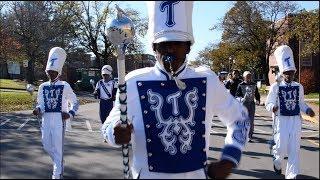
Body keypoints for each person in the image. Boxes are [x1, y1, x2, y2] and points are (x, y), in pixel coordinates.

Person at [101, 1, 250, 179]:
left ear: (188, 47)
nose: (170, 48)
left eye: (177, 43)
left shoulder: (207, 79)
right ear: (154, 47)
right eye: (164, 44)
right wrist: (115, 133)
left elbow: (240, 119)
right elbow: (109, 125)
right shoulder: (133, 81)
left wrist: (229, 159)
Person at [265, 45, 315, 179]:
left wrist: (308, 110)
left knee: (294, 149)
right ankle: (277, 161)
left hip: (295, 121)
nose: (289, 75)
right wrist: (272, 107)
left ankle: (292, 175)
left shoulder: (299, 87)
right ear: (282, 73)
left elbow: (301, 103)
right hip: (281, 120)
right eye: (287, 72)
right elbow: (268, 103)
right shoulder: (276, 87)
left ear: (294, 72)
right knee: (281, 148)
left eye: (292, 72)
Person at [33, 47, 79, 179]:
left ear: (58, 72)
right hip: (46, 120)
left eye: (53, 72)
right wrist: (38, 110)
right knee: (46, 145)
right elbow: (41, 104)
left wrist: (69, 114)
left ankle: (57, 173)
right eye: (49, 72)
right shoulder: (43, 87)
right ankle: (59, 163)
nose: (51, 74)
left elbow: (75, 102)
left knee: (58, 149)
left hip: (59, 120)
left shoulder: (65, 85)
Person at [236, 71, 261, 142]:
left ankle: (249, 135)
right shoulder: (241, 85)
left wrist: (258, 100)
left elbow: (257, 93)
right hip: (243, 104)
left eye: (250, 76)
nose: (249, 78)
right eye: (247, 76)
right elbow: (237, 96)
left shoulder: (254, 84)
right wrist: (241, 99)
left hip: (251, 104)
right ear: (244, 77)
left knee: (251, 120)